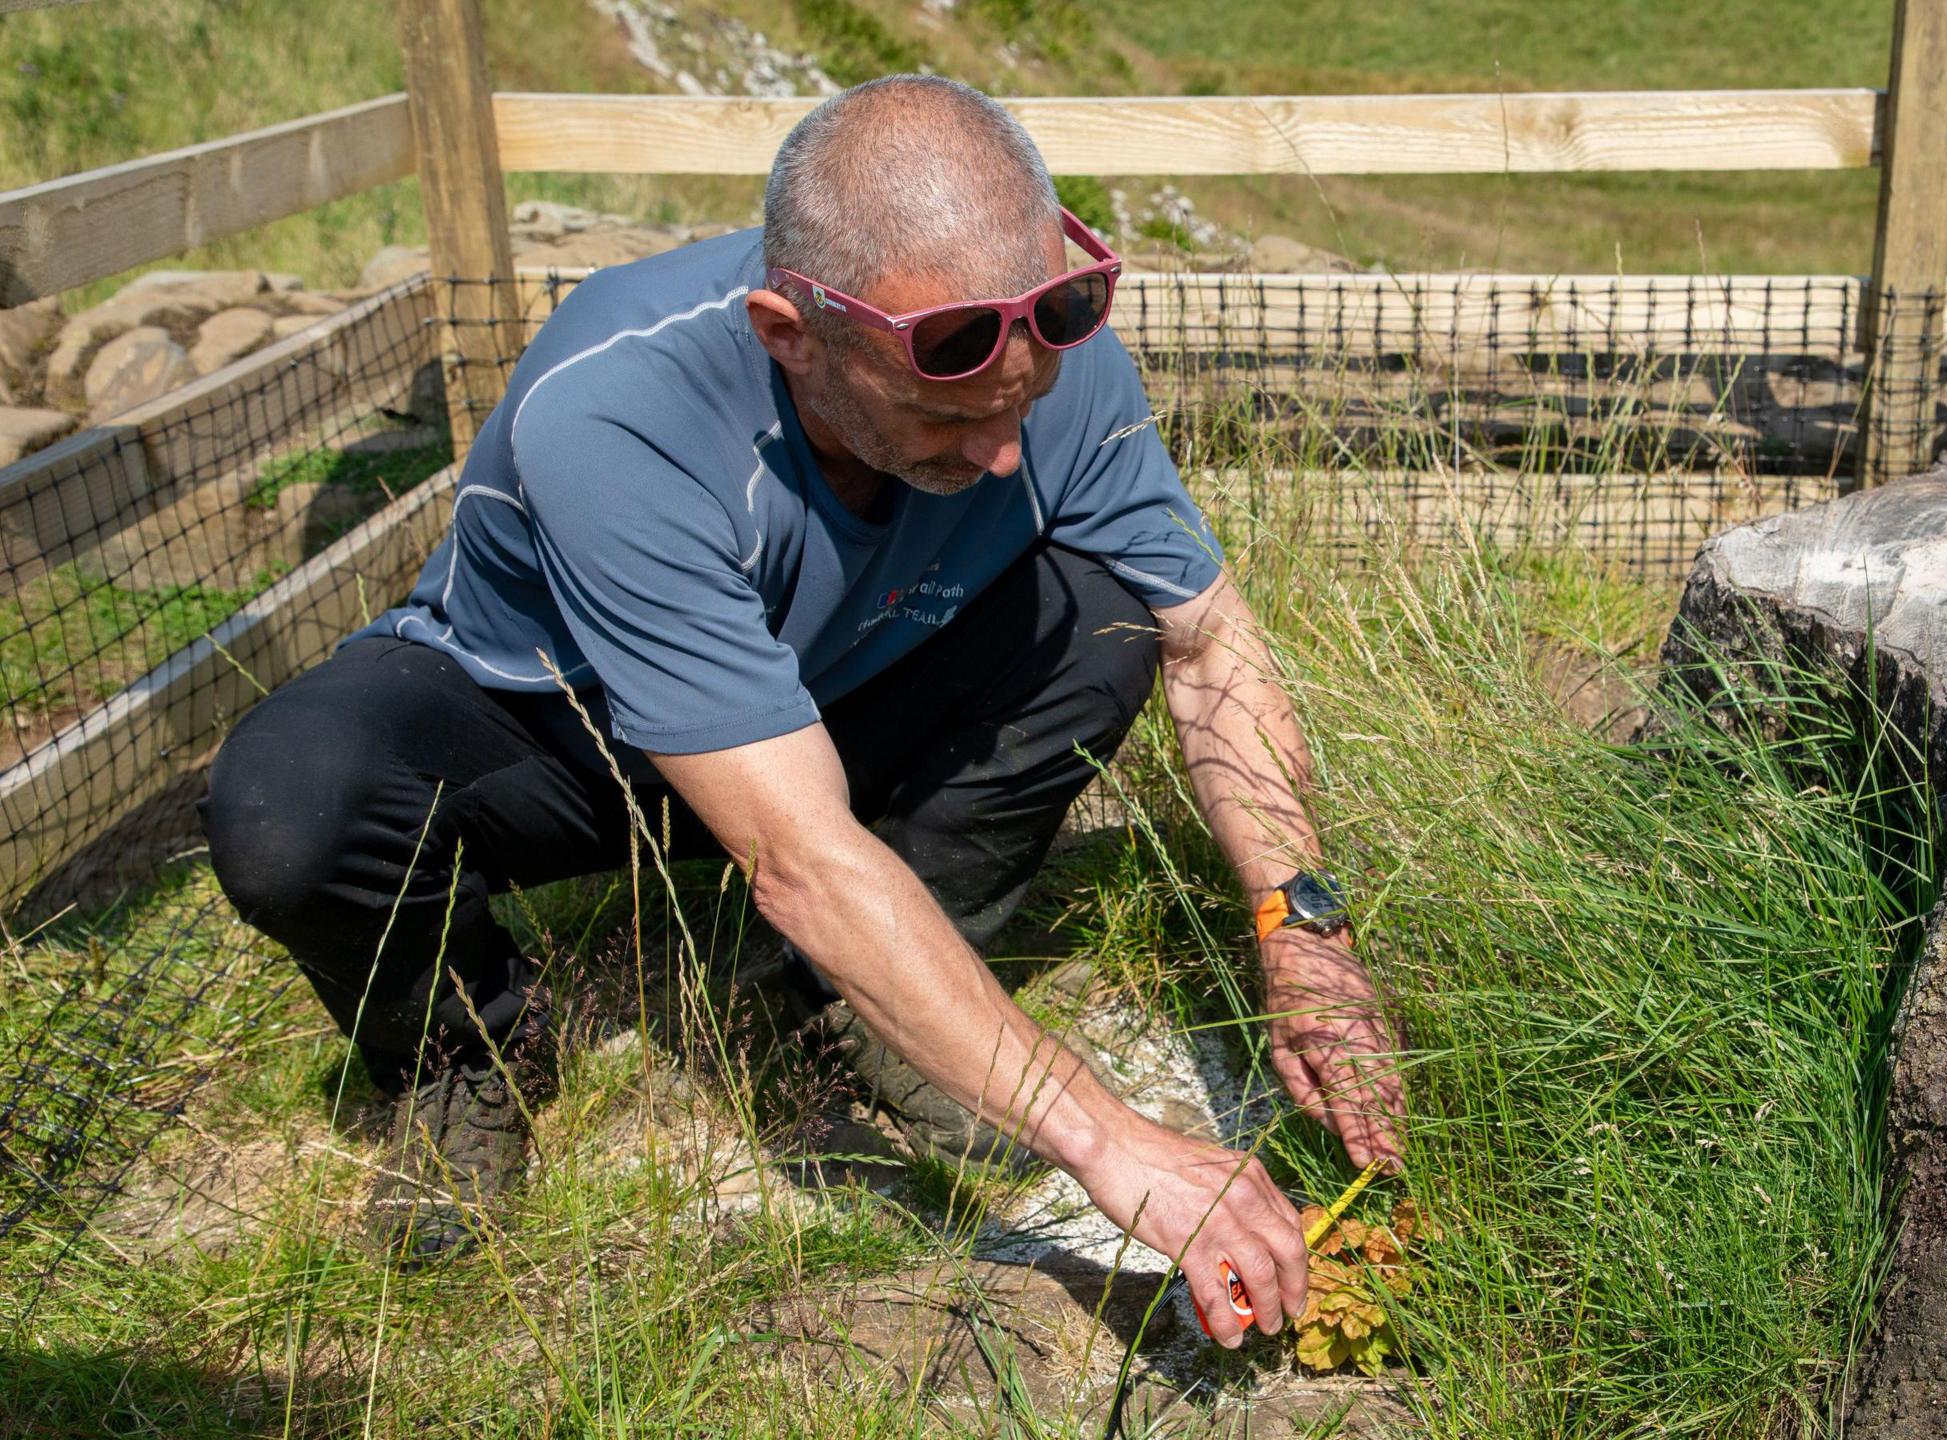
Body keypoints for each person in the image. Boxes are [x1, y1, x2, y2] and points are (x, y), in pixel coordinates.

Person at [198, 73, 1405, 1346]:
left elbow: (1208, 640)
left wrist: (1302, 930)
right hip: (564, 735)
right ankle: (459, 1058)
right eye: (946, 413)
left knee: (1102, 613)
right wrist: (1114, 1143)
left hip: (824, 696)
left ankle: (848, 1008)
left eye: (1026, 404)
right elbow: (800, 856)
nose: (1002, 453)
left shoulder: (1042, 346)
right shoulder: (620, 407)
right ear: (791, 333)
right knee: (295, 804)